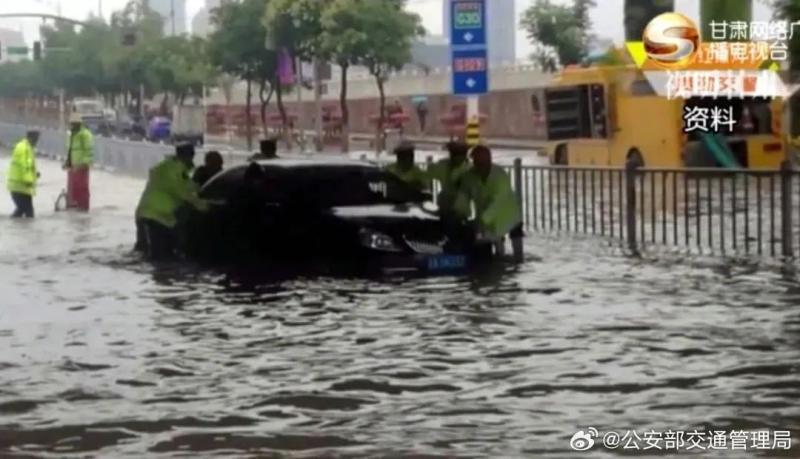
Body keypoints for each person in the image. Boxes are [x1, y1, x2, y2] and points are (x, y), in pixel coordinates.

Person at [135, 143, 208, 260]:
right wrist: (204, 205)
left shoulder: (175, 169)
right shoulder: (171, 170)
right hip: (153, 217)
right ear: (189, 156)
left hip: (159, 218)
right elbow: (182, 193)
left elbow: (189, 186)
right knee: (156, 258)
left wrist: (200, 189)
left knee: (155, 255)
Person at [454, 145, 524, 262]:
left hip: (508, 215)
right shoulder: (469, 176)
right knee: (497, 255)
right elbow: (463, 197)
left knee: (518, 255)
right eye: (476, 162)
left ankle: (516, 261)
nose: (479, 166)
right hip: (487, 221)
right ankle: (499, 260)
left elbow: (499, 201)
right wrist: (458, 213)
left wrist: (482, 220)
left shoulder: (500, 175)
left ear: (490, 161)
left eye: (482, 162)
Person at [427, 141, 471, 216]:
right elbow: (430, 171)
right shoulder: (442, 165)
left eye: (461, 154)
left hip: (461, 207)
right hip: (445, 204)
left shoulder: (468, 169)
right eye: (455, 154)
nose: (457, 158)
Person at [6, 131, 40, 218]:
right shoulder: (23, 148)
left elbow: (27, 166)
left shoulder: (27, 147)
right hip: (19, 186)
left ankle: (14, 229)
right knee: (29, 213)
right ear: (31, 138)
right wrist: (29, 180)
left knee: (22, 210)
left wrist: (34, 174)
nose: (37, 141)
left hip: (21, 187)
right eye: (36, 139)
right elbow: (24, 166)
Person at [65, 113, 94, 211]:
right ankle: (75, 208)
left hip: (82, 168)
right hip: (73, 167)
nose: (72, 126)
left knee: (82, 190)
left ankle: (84, 208)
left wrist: (83, 164)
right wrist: (67, 162)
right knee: (73, 190)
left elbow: (89, 151)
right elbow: (70, 150)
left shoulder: (85, 134)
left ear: (79, 124)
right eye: (71, 124)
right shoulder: (71, 135)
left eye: (74, 124)